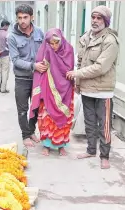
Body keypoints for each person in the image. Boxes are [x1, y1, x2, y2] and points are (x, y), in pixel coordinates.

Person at [66, 5, 119, 169]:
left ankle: (105, 156)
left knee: (104, 125)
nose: (95, 21)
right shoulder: (86, 37)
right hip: (87, 89)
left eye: (99, 18)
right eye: (93, 17)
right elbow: (81, 61)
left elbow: (100, 67)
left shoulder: (111, 41)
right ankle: (90, 150)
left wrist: (77, 74)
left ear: (106, 21)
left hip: (103, 91)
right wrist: (78, 84)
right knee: (89, 122)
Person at [29, 28, 75, 156]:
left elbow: (68, 69)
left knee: (64, 118)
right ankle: (47, 145)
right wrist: (42, 66)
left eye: (56, 43)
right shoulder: (45, 49)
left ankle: (62, 145)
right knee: (47, 118)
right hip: (48, 89)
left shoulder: (69, 49)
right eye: (51, 43)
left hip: (65, 89)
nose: (54, 46)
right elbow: (39, 68)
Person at [8, 4, 46, 147]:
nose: (22, 21)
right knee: (23, 109)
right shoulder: (12, 37)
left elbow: (45, 51)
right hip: (22, 78)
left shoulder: (40, 33)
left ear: (32, 17)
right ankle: (25, 135)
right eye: (19, 18)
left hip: (38, 79)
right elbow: (16, 60)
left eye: (25, 17)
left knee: (36, 107)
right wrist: (33, 66)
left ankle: (31, 131)